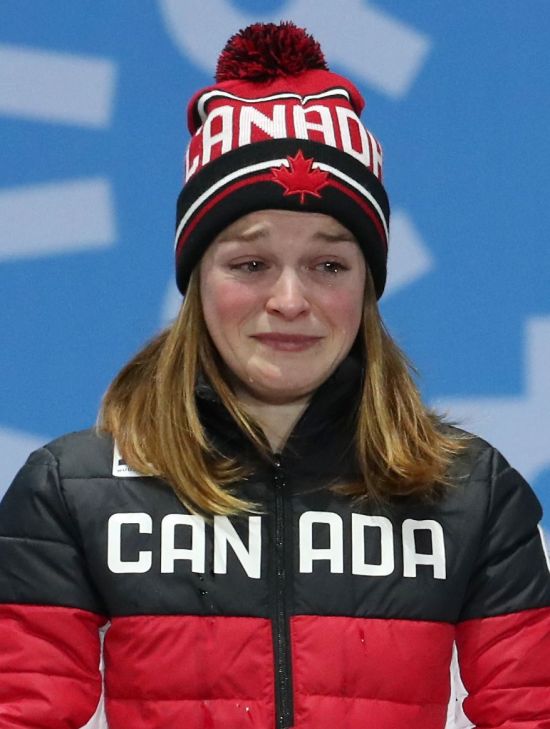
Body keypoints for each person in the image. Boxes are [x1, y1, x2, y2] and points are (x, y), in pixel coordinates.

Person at [0, 21, 549, 729]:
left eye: (329, 264)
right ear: (197, 280)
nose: (290, 300)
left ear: (367, 286)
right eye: (251, 263)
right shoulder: (70, 490)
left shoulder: (471, 492)